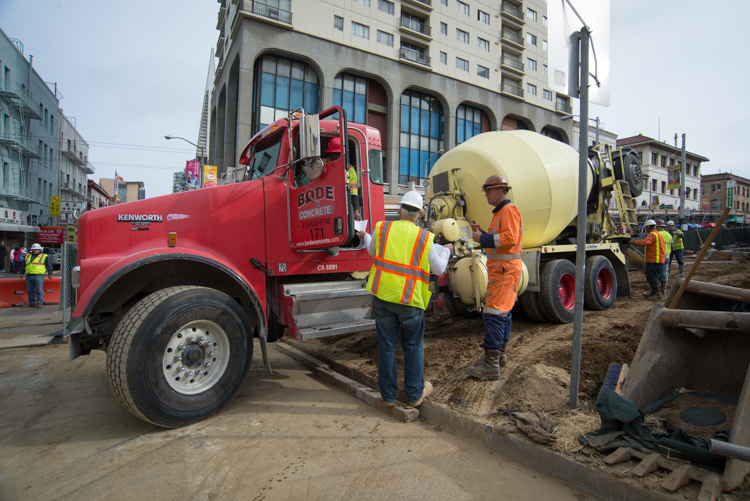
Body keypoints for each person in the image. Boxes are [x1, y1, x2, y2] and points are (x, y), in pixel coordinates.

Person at [355, 191, 452, 407]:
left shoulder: (382, 229)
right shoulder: (425, 237)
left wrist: (365, 236)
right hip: (410, 301)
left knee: (387, 346)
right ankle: (415, 394)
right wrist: (446, 251)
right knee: (412, 346)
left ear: (400, 210)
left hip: (383, 297)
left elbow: (372, 249)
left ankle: (388, 396)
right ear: (418, 214)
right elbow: (439, 268)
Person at [466, 176, 523, 380]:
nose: (486, 195)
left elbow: (509, 239)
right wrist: (482, 235)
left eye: (488, 191)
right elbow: (499, 241)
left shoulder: (508, 210)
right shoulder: (501, 213)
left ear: (500, 191)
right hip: (503, 271)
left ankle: (491, 364)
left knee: (493, 314)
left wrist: (482, 238)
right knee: (503, 314)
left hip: (504, 271)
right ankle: (499, 357)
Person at [325, 137, 362, 221]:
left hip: (341, 204)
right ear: (330, 154)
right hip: (324, 203)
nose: (338, 157)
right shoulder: (321, 165)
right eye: (335, 154)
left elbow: (353, 192)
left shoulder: (350, 170)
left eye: (340, 154)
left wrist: (356, 212)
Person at [631, 219, 667, 299]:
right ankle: (654, 291)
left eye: (646, 228)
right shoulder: (658, 234)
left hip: (654, 260)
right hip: (659, 259)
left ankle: (656, 293)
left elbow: (645, 242)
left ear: (648, 227)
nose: (646, 230)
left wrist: (632, 241)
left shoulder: (652, 234)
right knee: (655, 276)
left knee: (651, 276)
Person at [20, 243, 53, 308]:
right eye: (33, 249)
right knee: (30, 290)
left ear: (40, 249)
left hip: (39, 275)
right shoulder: (27, 256)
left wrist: (50, 274)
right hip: (29, 275)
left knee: (39, 290)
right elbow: (23, 265)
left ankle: (39, 302)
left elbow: (49, 265)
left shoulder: (44, 256)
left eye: (36, 249)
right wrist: (21, 273)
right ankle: (31, 302)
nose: (35, 250)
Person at [656, 220, 673, 297]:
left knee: (657, 273)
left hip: (660, 255)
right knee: (664, 272)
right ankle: (663, 291)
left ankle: (661, 292)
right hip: (667, 255)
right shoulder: (668, 235)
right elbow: (671, 245)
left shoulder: (658, 234)